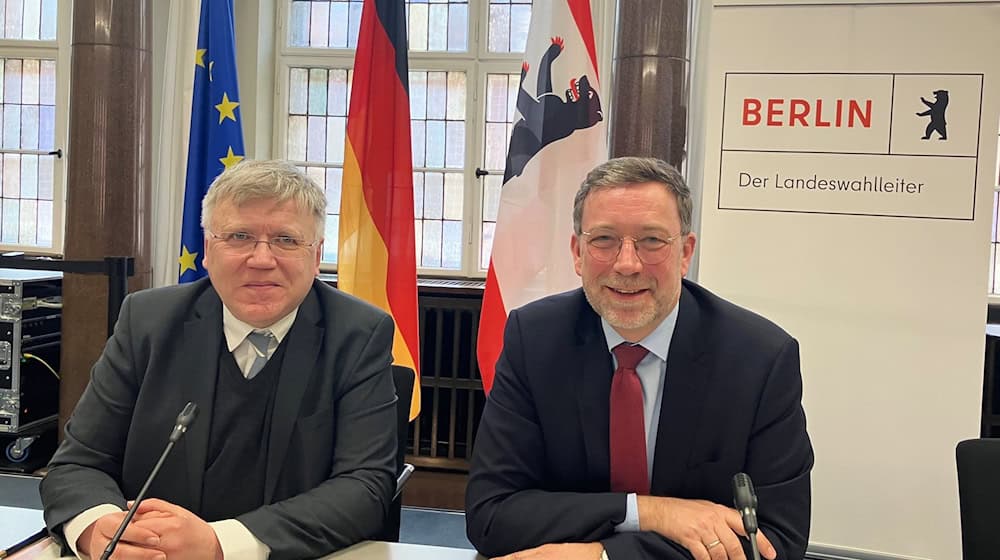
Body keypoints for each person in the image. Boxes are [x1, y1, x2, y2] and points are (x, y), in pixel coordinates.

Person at [40, 160, 398, 560]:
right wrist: (99, 528)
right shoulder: (148, 321)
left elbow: (365, 486)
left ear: (315, 257)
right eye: (240, 236)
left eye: (285, 240)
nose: (262, 259)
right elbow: (77, 463)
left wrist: (219, 544)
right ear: (209, 250)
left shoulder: (358, 334)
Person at [465, 156, 813, 560]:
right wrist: (650, 512)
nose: (627, 264)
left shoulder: (760, 360)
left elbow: (775, 542)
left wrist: (602, 556)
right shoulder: (535, 339)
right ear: (578, 252)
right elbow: (491, 516)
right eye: (604, 240)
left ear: (685, 252)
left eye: (651, 240)